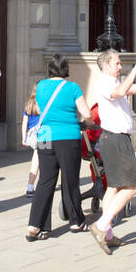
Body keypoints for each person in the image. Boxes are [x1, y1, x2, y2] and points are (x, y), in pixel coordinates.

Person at [89, 48, 136, 254]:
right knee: (131, 187)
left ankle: (107, 233)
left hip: (113, 138)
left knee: (114, 187)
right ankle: (100, 225)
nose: (120, 66)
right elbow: (118, 93)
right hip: (116, 139)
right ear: (106, 64)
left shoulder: (115, 81)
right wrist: (135, 68)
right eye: (117, 63)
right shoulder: (105, 82)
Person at [25, 55, 93, 240]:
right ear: (66, 70)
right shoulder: (72, 88)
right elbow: (86, 113)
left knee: (45, 181)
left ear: (50, 69)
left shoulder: (41, 87)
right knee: (70, 180)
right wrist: (90, 121)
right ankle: (75, 221)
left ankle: (36, 226)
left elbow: (39, 110)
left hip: (45, 135)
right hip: (67, 136)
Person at [21, 94, 41, 196]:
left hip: (32, 134)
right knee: (45, 160)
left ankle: (30, 186)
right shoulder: (43, 103)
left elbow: (24, 122)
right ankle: (39, 186)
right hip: (44, 133)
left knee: (36, 159)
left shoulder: (29, 104)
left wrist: (24, 138)